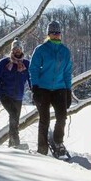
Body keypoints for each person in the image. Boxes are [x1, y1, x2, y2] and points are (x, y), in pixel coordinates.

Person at [29, 20, 73, 156]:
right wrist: (34, 86)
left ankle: (58, 141)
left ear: (60, 34)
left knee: (62, 117)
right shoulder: (41, 49)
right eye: (53, 32)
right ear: (48, 34)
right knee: (44, 119)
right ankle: (42, 148)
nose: (55, 35)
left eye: (58, 32)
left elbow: (67, 72)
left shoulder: (65, 51)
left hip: (60, 88)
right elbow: (33, 69)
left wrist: (68, 90)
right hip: (42, 88)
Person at [0, 39, 32, 147]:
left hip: (18, 96)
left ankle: (11, 145)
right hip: (5, 94)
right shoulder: (4, 62)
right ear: (12, 50)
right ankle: (15, 142)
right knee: (13, 114)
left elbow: (32, 78)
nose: (17, 50)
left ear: (22, 50)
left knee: (15, 120)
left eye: (19, 48)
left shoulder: (26, 64)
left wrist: (35, 92)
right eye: (15, 48)